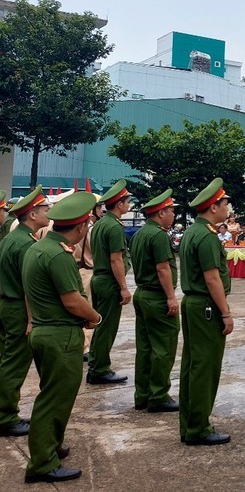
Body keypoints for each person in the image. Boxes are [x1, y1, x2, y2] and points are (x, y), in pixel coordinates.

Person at [22, 191, 102, 484]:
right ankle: (42, 462)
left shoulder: (38, 248)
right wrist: (95, 317)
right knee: (55, 399)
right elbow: (72, 301)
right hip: (60, 335)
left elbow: (29, 293)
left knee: (52, 393)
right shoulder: (60, 255)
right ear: (81, 227)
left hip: (44, 331)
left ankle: (50, 446)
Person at [178, 178, 234, 446]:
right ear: (213, 207)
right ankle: (198, 427)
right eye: (225, 203)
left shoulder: (192, 231)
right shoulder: (208, 236)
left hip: (194, 304)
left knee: (192, 365)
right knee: (205, 367)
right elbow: (212, 278)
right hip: (207, 307)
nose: (227, 207)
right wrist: (225, 313)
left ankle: (189, 423)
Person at [0, 187, 50, 437]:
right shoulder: (25, 243)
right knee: (15, 364)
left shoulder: (11, 238)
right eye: (44, 209)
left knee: (7, 359)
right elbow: (29, 287)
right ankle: (6, 416)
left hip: (7, 303)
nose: (48, 213)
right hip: (18, 307)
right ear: (32, 214)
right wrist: (32, 320)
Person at [131, 189, 181, 413]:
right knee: (163, 347)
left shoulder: (140, 234)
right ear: (161, 213)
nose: (173, 215)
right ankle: (159, 395)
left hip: (142, 293)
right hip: (157, 297)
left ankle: (142, 394)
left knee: (145, 347)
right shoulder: (159, 235)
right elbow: (162, 268)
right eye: (171, 211)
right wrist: (171, 297)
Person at [87, 180, 132, 385]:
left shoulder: (100, 224)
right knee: (107, 327)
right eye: (127, 200)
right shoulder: (113, 226)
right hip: (109, 282)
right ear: (120, 204)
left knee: (100, 325)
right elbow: (115, 259)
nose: (129, 204)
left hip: (99, 278)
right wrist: (124, 287)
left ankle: (96, 363)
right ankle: (100, 369)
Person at [72, 198, 106, 356]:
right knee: (88, 309)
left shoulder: (73, 228)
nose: (101, 210)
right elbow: (97, 251)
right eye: (99, 207)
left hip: (77, 269)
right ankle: (85, 347)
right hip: (89, 270)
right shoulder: (90, 229)